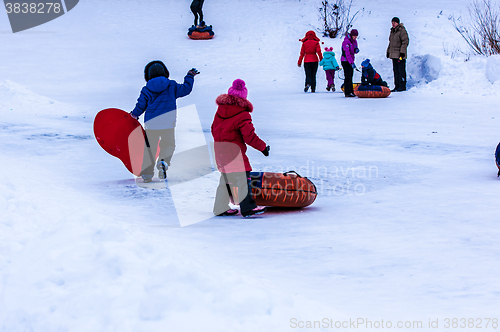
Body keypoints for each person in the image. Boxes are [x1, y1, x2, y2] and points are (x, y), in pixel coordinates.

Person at [130, 60, 199, 183]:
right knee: (168, 144)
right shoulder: (171, 86)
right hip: (168, 123)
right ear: (165, 72)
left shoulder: (146, 89)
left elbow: (141, 106)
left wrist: (134, 115)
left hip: (151, 125)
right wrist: (190, 76)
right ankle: (163, 161)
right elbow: (186, 89)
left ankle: (146, 174)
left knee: (149, 148)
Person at [211, 79, 269, 217]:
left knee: (225, 179)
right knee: (243, 178)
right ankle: (248, 208)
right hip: (234, 153)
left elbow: (214, 129)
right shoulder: (243, 114)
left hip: (220, 151)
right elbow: (249, 136)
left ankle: (220, 208)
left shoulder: (220, 110)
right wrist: (263, 148)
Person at [386, 17, 409, 92]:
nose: (393, 24)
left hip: (400, 55)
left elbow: (405, 41)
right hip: (394, 55)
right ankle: (397, 85)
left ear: (398, 23)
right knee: (395, 70)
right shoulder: (392, 31)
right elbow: (391, 43)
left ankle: (402, 86)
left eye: (394, 23)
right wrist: (388, 51)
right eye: (392, 22)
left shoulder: (402, 31)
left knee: (401, 70)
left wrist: (402, 52)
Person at [341, 29, 359, 97]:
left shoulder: (354, 41)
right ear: (351, 35)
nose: (355, 37)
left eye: (356, 36)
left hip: (351, 60)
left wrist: (356, 50)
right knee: (347, 76)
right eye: (354, 36)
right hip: (345, 61)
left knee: (351, 76)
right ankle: (347, 92)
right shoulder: (346, 42)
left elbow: (353, 50)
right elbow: (347, 53)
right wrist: (351, 63)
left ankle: (351, 91)